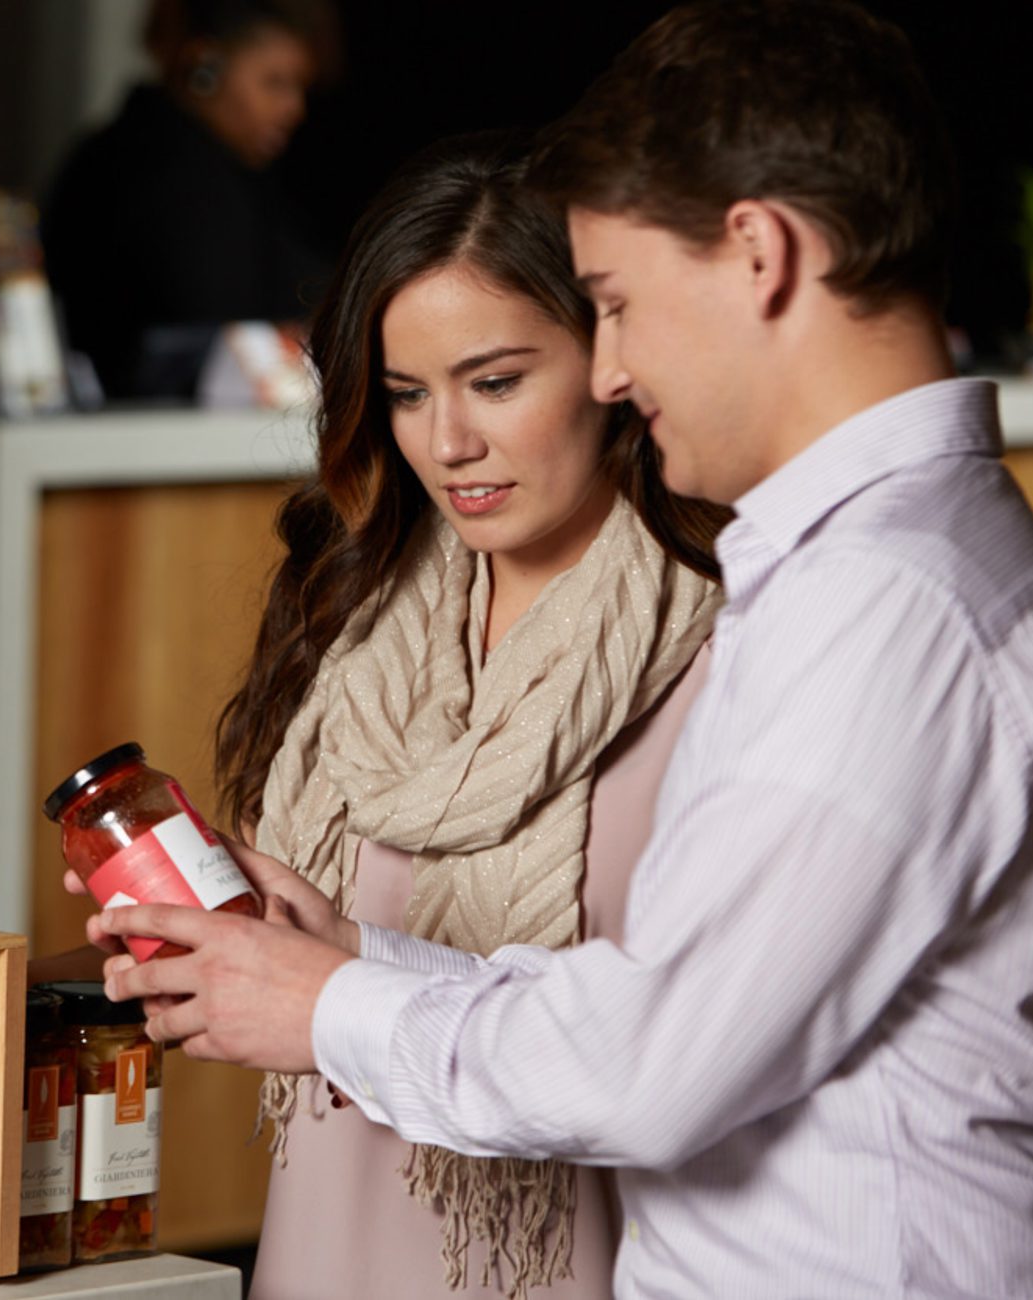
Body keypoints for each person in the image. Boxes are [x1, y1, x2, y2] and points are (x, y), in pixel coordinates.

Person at [87, 3, 1033, 1296]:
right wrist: (348, 958)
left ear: (761, 253)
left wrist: (325, 1005)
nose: (616, 370)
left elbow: (655, 1061)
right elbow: (681, 998)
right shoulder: (848, 568)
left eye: (619, 303)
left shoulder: (896, 601)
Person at [194, 133, 725, 1299]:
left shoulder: (722, 648)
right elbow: (322, 986)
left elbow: (678, 1048)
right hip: (325, 1243)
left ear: (607, 362)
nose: (448, 445)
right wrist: (263, 929)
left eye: (493, 381)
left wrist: (340, 975)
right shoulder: (357, 616)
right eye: (404, 395)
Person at [42, 0, 333, 400]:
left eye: (299, 87)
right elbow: (224, 324)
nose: (293, 108)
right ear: (205, 68)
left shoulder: (223, 170)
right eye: (274, 82)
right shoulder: (163, 170)